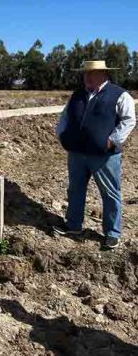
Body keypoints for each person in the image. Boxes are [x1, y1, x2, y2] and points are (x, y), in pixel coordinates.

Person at [54, 60, 136, 250]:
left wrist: (113, 140)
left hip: (104, 156)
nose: (87, 77)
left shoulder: (120, 95)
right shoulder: (78, 94)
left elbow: (129, 120)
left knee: (110, 193)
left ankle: (112, 233)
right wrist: (62, 134)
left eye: (92, 73)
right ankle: (73, 226)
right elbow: (66, 116)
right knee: (75, 190)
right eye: (85, 73)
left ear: (104, 75)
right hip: (77, 153)